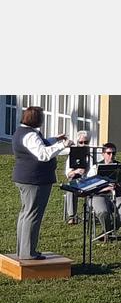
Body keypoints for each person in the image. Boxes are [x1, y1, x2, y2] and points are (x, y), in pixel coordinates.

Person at [12, 106, 73, 260]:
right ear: (36, 119)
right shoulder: (31, 135)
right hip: (35, 180)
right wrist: (62, 145)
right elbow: (43, 154)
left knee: (25, 214)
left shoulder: (22, 131)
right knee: (32, 215)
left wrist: (55, 139)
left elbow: (41, 143)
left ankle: (22, 250)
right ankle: (28, 253)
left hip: (25, 178)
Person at [86, 143, 121, 238]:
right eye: (108, 153)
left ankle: (107, 233)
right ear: (103, 154)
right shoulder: (95, 167)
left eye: (113, 153)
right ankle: (108, 234)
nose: (111, 156)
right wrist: (105, 188)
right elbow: (89, 186)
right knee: (103, 212)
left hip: (117, 195)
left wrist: (119, 184)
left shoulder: (120, 167)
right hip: (99, 196)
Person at [63, 130, 90, 225]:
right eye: (81, 142)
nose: (83, 145)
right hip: (78, 181)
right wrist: (76, 171)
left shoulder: (93, 155)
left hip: (90, 181)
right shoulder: (73, 154)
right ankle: (72, 216)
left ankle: (90, 214)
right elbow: (68, 173)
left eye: (86, 142)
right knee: (70, 186)